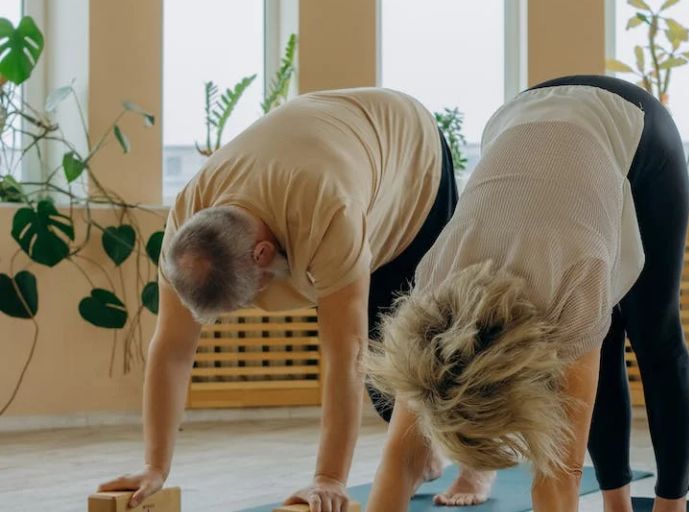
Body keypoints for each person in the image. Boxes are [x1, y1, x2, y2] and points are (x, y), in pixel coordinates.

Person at [98, 87, 458, 512]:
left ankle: (472, 465)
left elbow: (347, 354)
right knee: (390, 394)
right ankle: (423, 452)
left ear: (262, 254)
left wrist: (328, 480)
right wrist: (154, 466)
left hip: (410, 158)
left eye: (244, 302)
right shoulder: (188, 231)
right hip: (333, 152)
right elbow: (172, 349)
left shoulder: (327, 210)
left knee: (416, 353)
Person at [365, 75, 689, 512]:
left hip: (629, 122)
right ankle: (619, 506)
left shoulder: (574, 281)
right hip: (521, 117)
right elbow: (399, 459)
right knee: (602, 339)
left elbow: (559, 478)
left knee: (654, 332)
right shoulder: (431, 295)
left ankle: (672, 506)